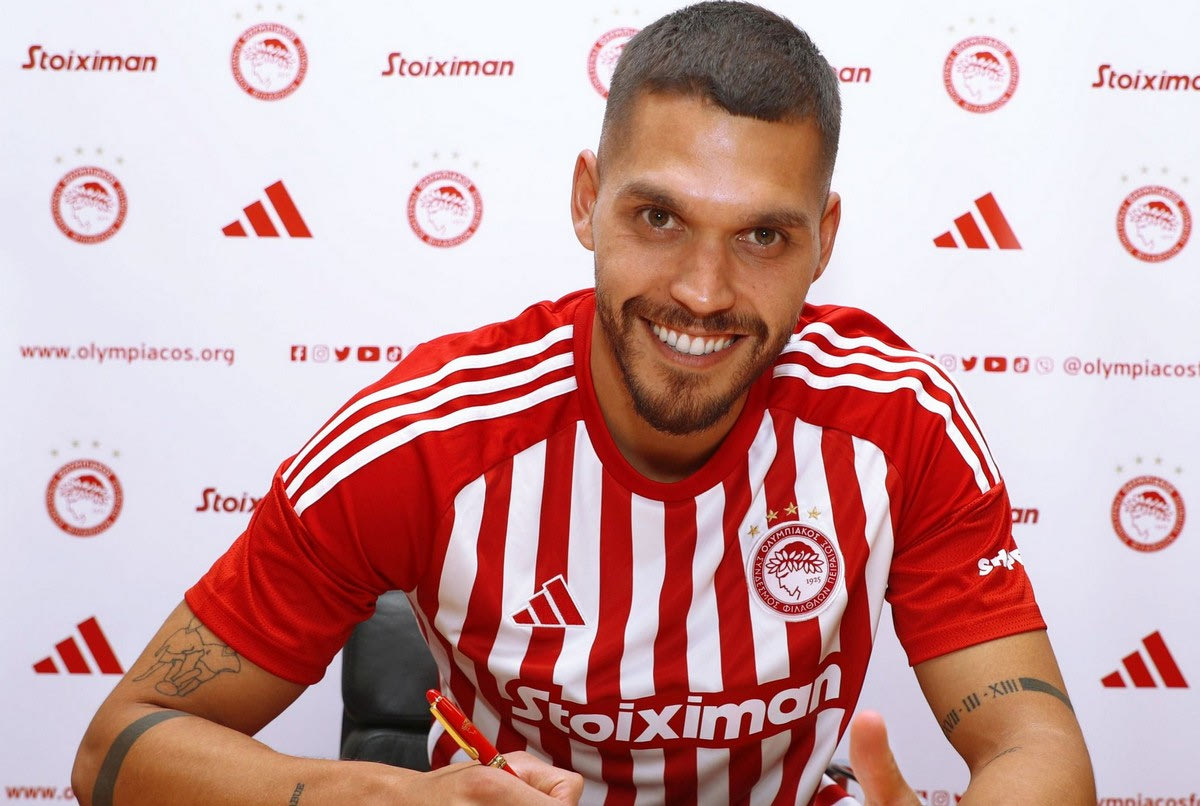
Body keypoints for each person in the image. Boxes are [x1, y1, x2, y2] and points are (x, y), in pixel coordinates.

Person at [72, 3, 1096, 804]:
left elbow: (1031, 739)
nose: (703, 290)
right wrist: (393, 796)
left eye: (763, 237)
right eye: (658, 216)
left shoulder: (898, 423)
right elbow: (118, 748)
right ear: (585, 201)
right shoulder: (424, 441)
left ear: (823, 240)